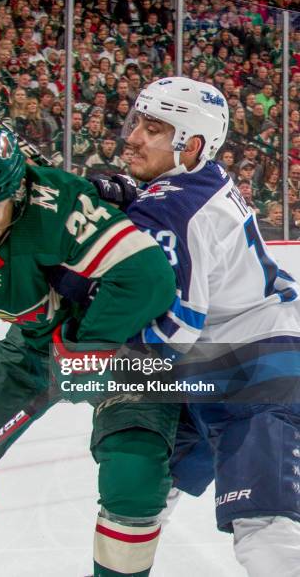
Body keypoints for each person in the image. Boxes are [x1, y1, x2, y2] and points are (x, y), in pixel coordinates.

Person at [0, 126, 178, 577]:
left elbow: (148, 277)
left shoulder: (57, 206)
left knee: (133, 475)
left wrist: (85, 347)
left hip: (122, 347)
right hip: (29, 346)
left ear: (17, 194)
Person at [89, 77, 300, 576]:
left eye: (155, 128)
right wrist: (131, 199)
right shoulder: (195, 181)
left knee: (265, 526)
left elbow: (172, 330)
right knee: (148, 495)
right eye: (136, 122)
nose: (134, 136)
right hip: (231, 358)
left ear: (193, 145)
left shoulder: (169, 208)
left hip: (257, 366)